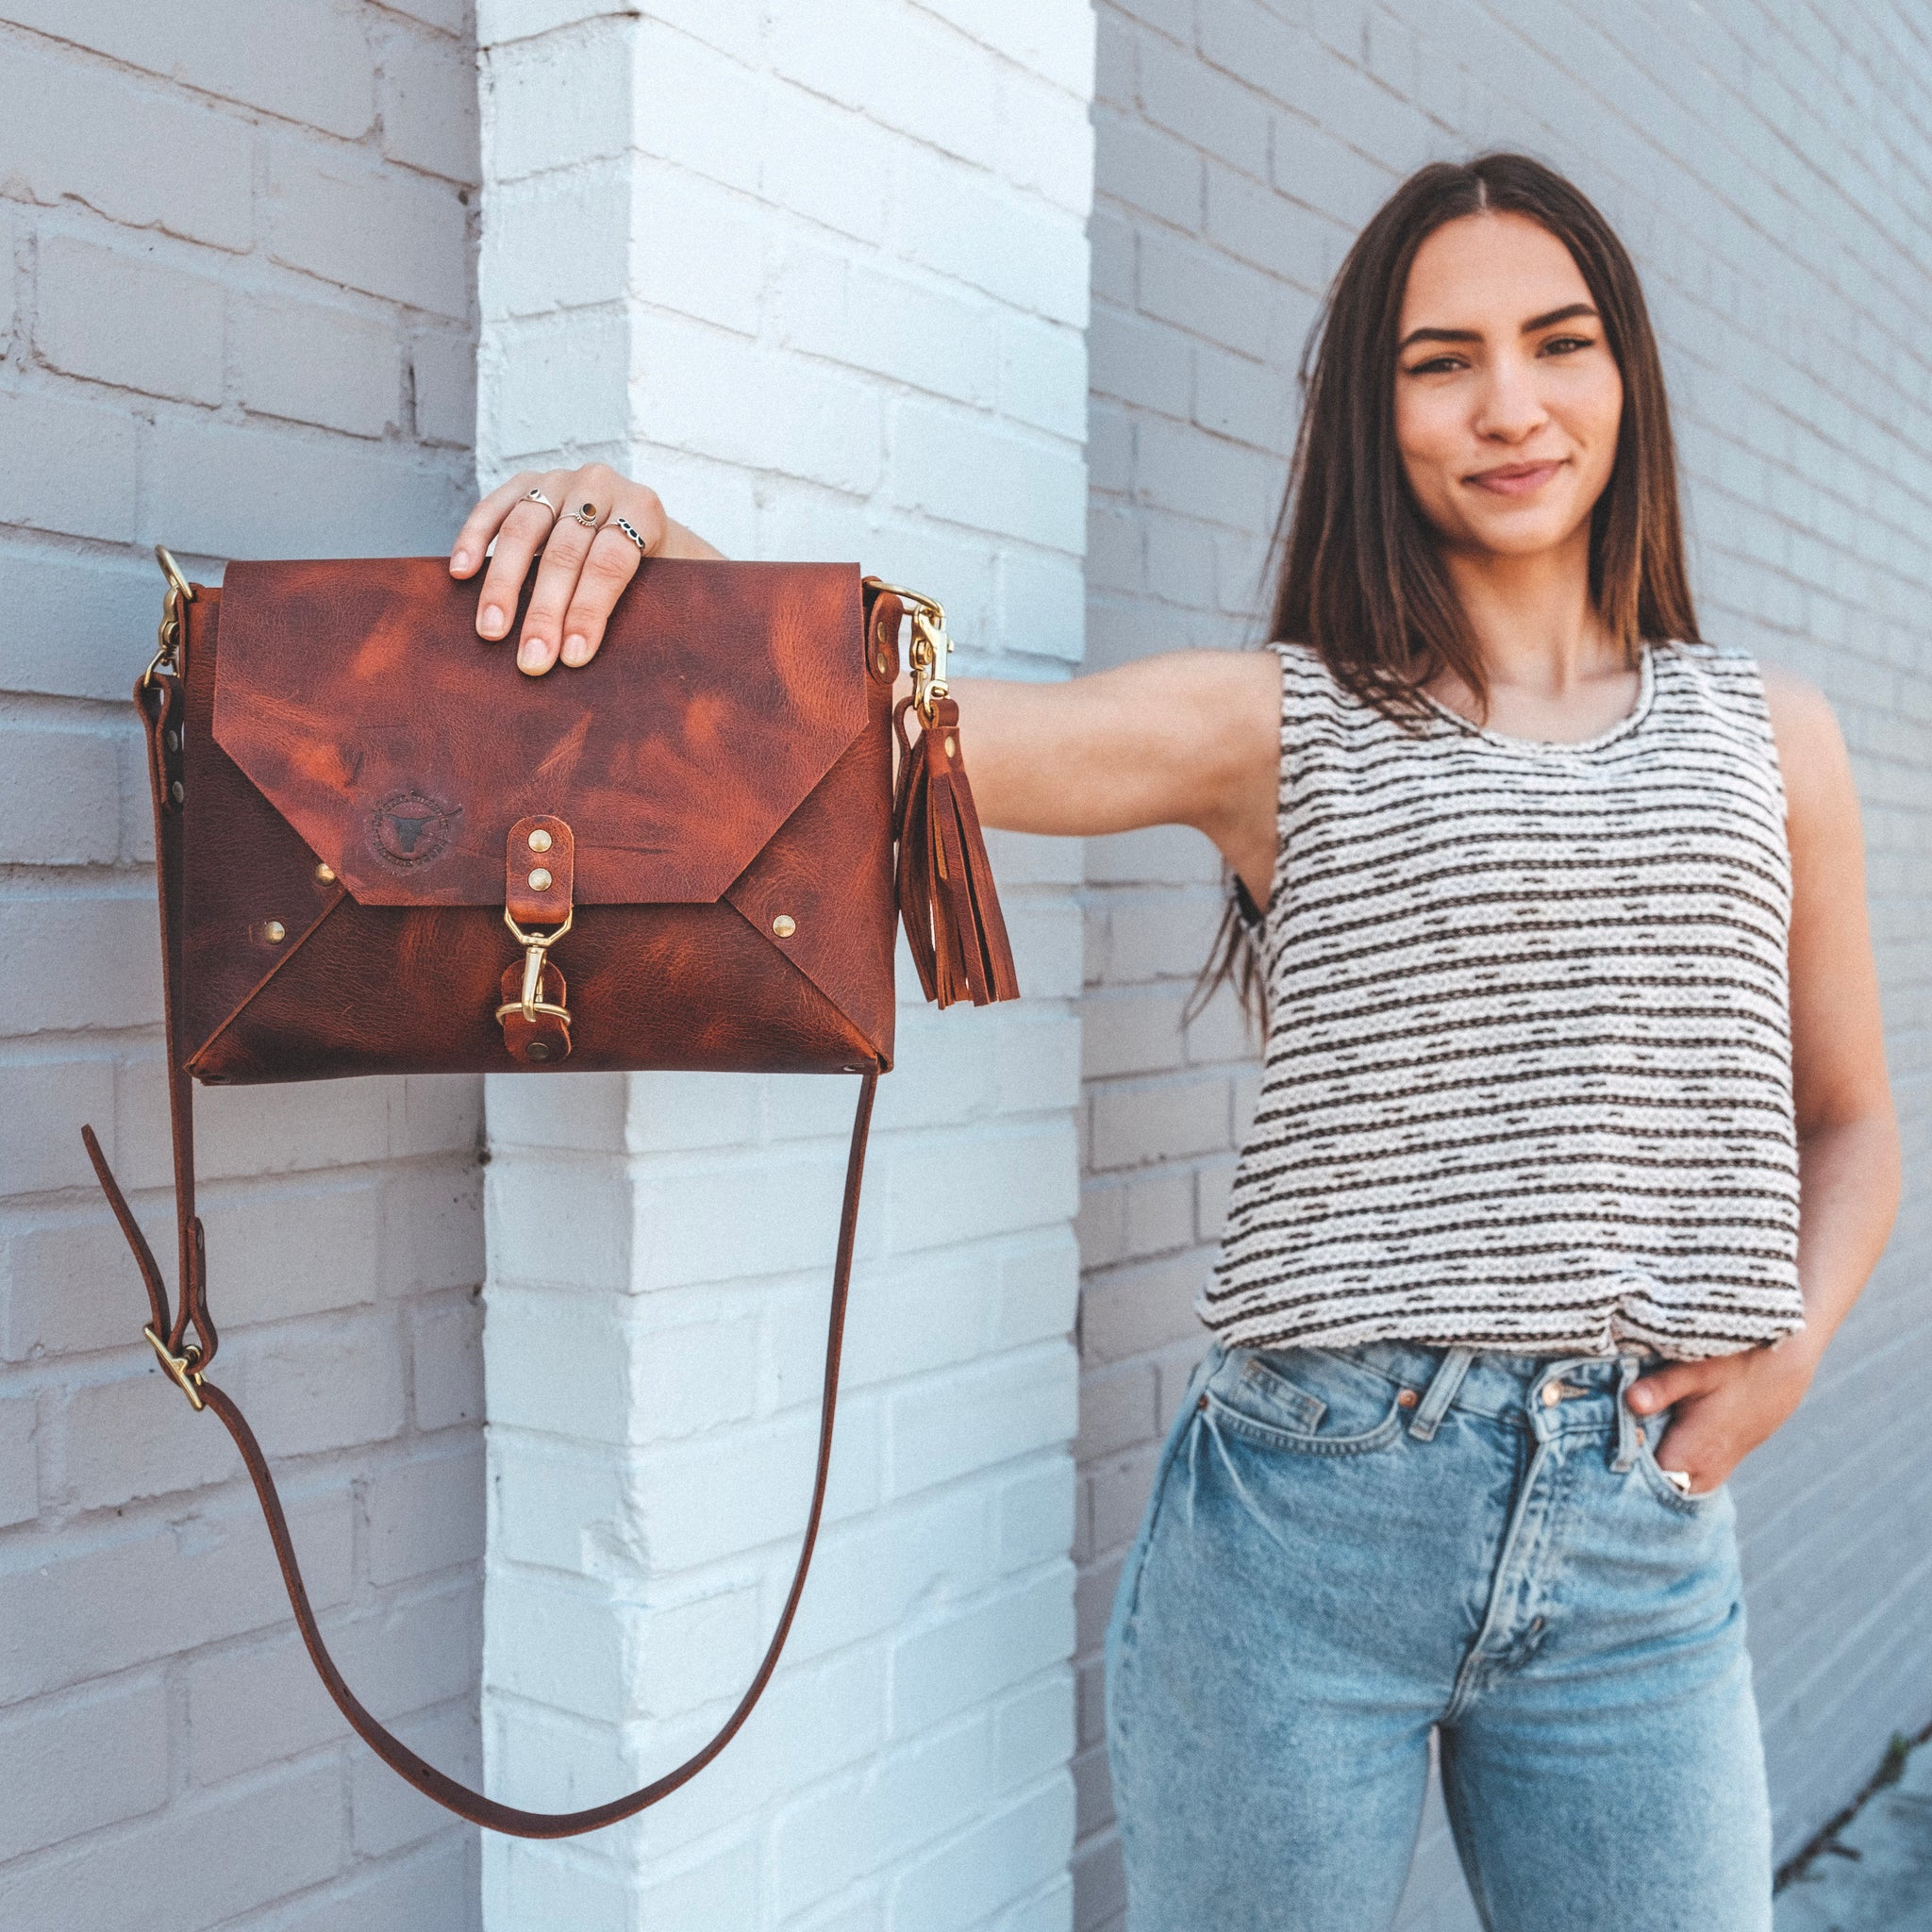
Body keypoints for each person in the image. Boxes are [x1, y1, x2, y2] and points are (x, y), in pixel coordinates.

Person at [448, 155, 1899, 1931]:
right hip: (1308, 1529)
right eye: (1441, 361)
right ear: (1378, 412)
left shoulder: (1777, 742)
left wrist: (1798, 1350)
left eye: (1559, 342)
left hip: (1642, 1538)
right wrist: (657, 552)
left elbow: (1848, 1120)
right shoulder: (1276, 723)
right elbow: (886, 726)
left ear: (1626, 376)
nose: (1509, 405)